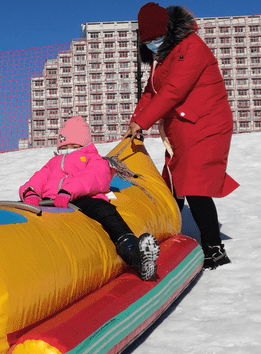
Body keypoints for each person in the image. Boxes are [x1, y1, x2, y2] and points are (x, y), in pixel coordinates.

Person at [125, 2, 239, 270]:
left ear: (167, 30)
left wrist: (143, 121)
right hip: (180, 126)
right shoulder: (161, 58)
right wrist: (135, 123)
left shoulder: (191, 47)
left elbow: (174, 90)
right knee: (172, 185)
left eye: (156, 37)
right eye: (148, 40)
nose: (153, 43)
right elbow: (152, 92)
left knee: (194, 184)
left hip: (206, 123)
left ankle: (214, 248)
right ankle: (166, 243)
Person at [20, 115, 160, 281]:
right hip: (48, 202)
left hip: (82, 198)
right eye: (65, 145)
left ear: (83, 143)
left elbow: (93, 176)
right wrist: (30, 192)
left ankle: (132, 250)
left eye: (74, 145)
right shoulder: (54, 162)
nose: (69, 148)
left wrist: (68, 191)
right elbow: (39, 178)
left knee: (104, 211)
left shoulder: (93, 159)